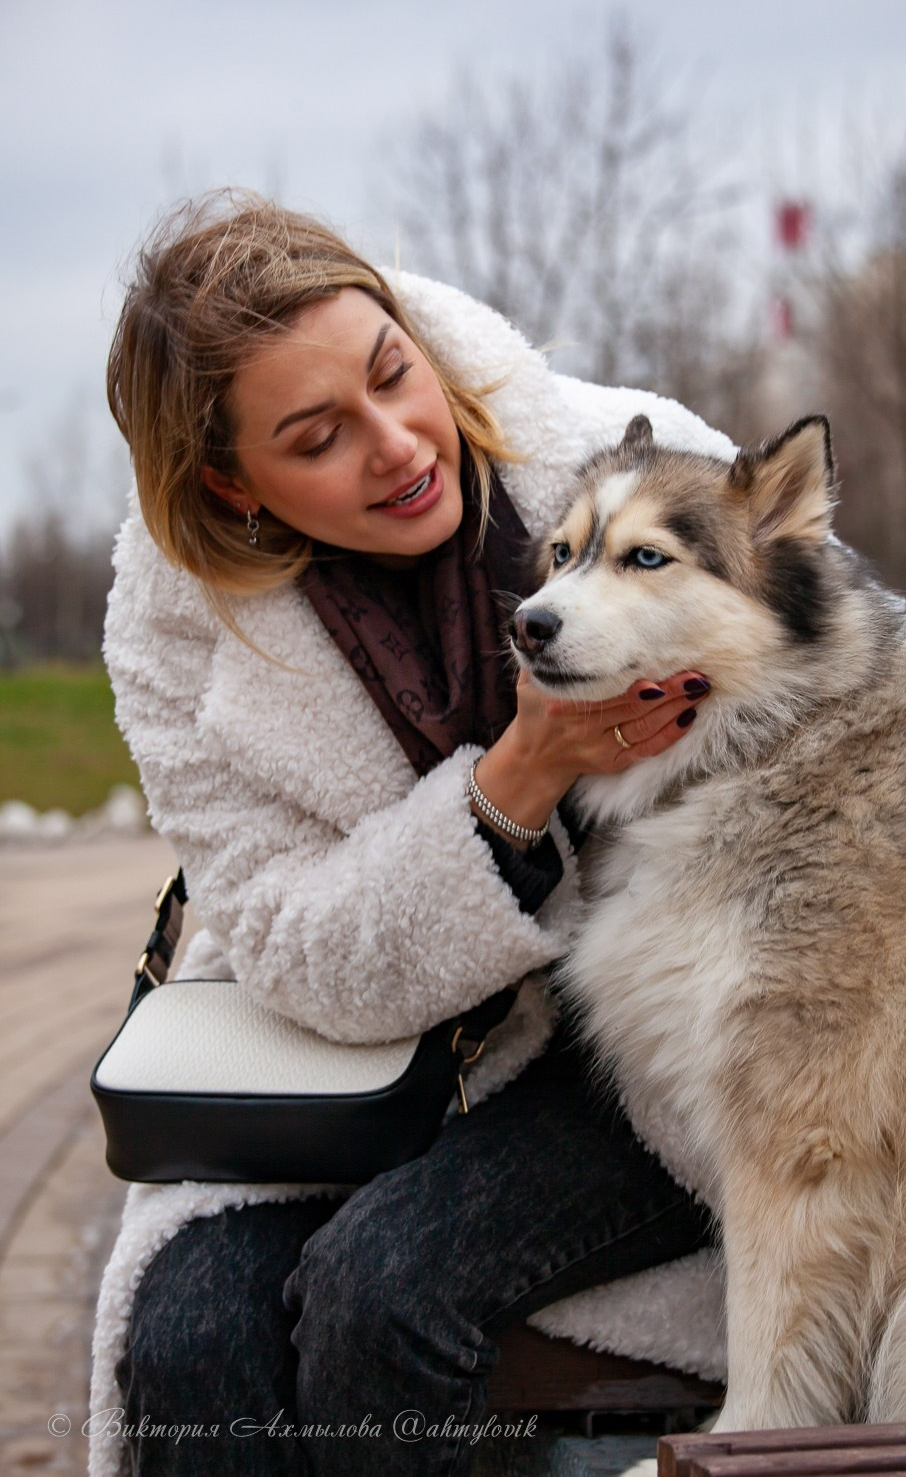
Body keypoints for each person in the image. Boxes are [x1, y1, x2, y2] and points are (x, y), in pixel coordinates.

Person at [91, 191, 733, 1477]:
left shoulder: (637, 469)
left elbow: (851, 741)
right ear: (231, 480)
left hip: (656, 1059)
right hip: (363, 1070)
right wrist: (516, 781)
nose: (396, 446)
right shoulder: (172, 636)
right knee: (186, 1335)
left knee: (385, 1296)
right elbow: (285, 943)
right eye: (318, 437)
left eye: (397, 375)